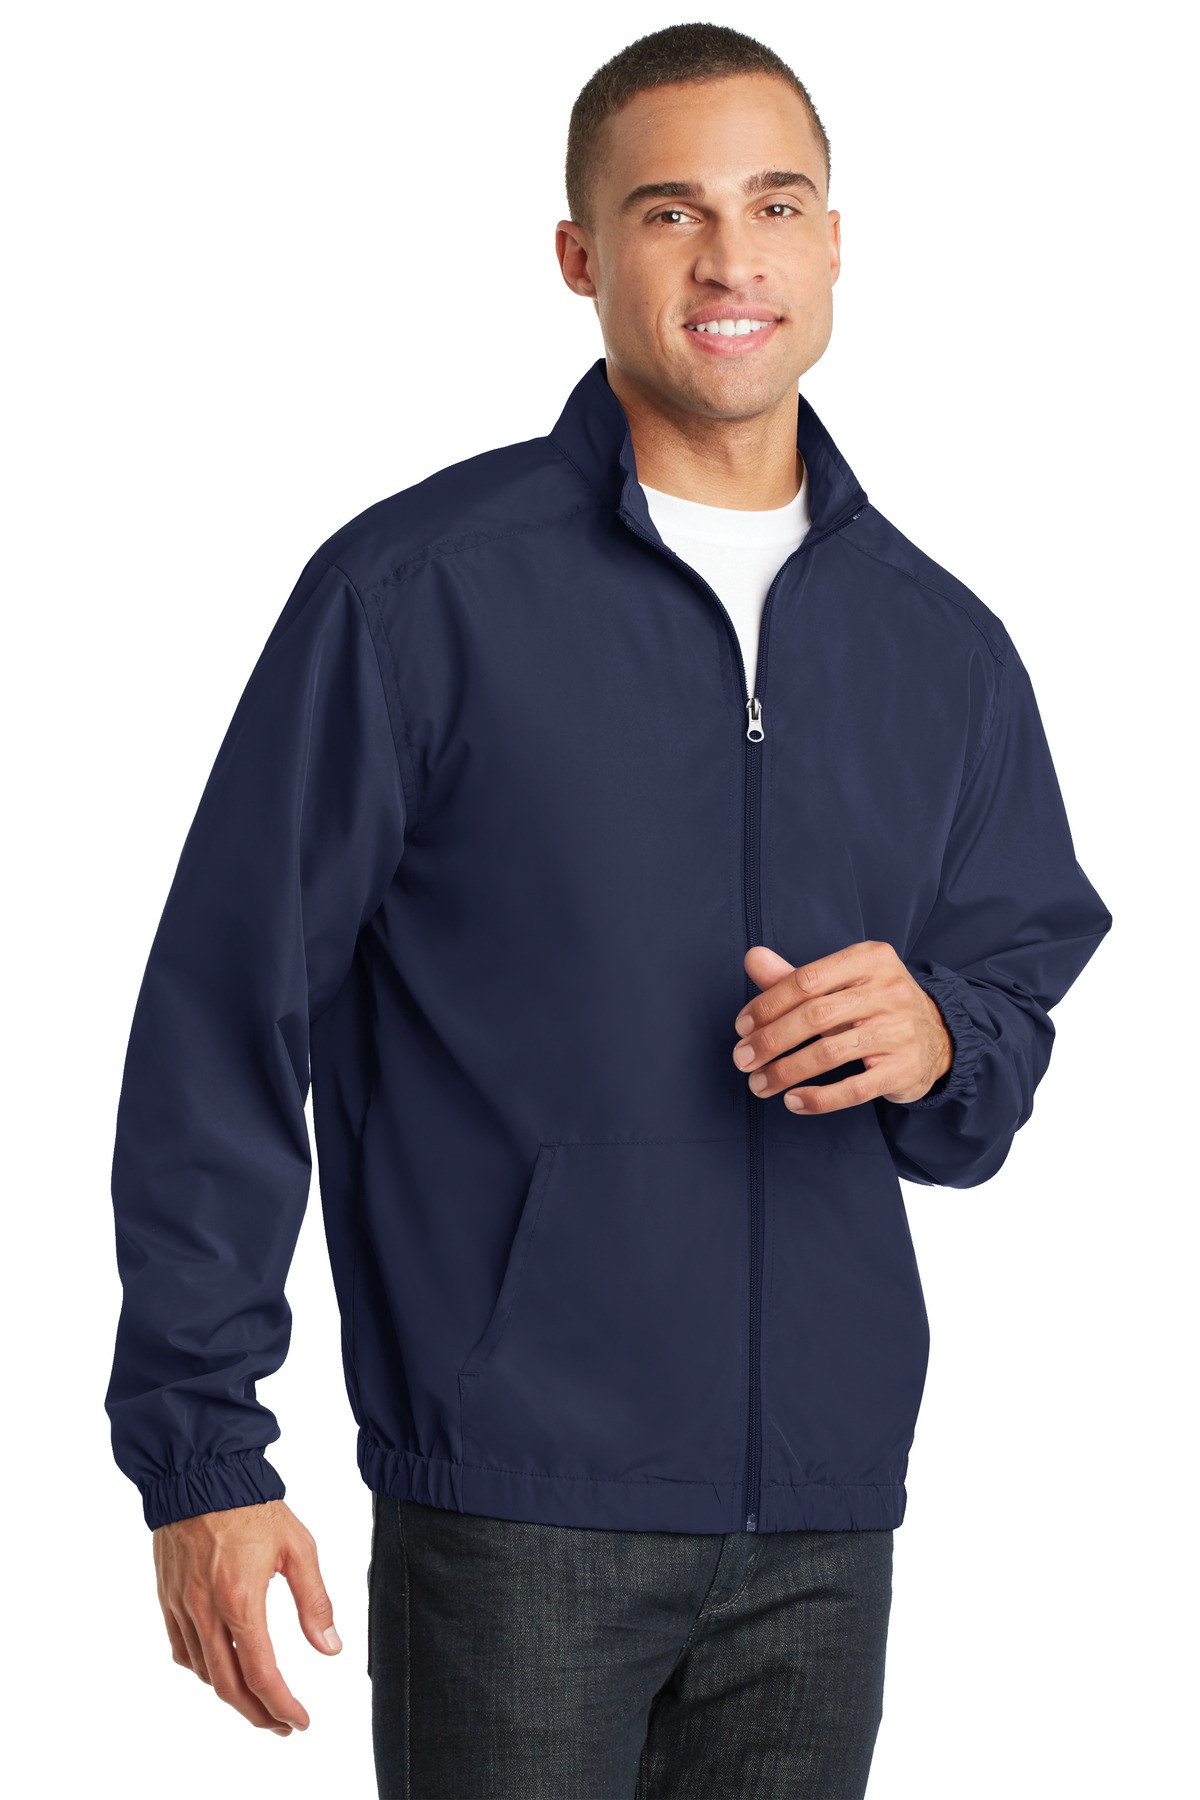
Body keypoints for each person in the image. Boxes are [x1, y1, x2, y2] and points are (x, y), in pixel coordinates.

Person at [104, 22, 1113, 1800]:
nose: (731, 259)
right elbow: (224, 1011)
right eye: (670, 213)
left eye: (774, 205)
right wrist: (203, 1455)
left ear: (832, 245)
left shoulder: (943, 647)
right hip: (518, 1506)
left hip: (825, 1523)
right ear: (580, 256)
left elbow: (1002, 1025)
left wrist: (944, 1035)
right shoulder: (417, 596)